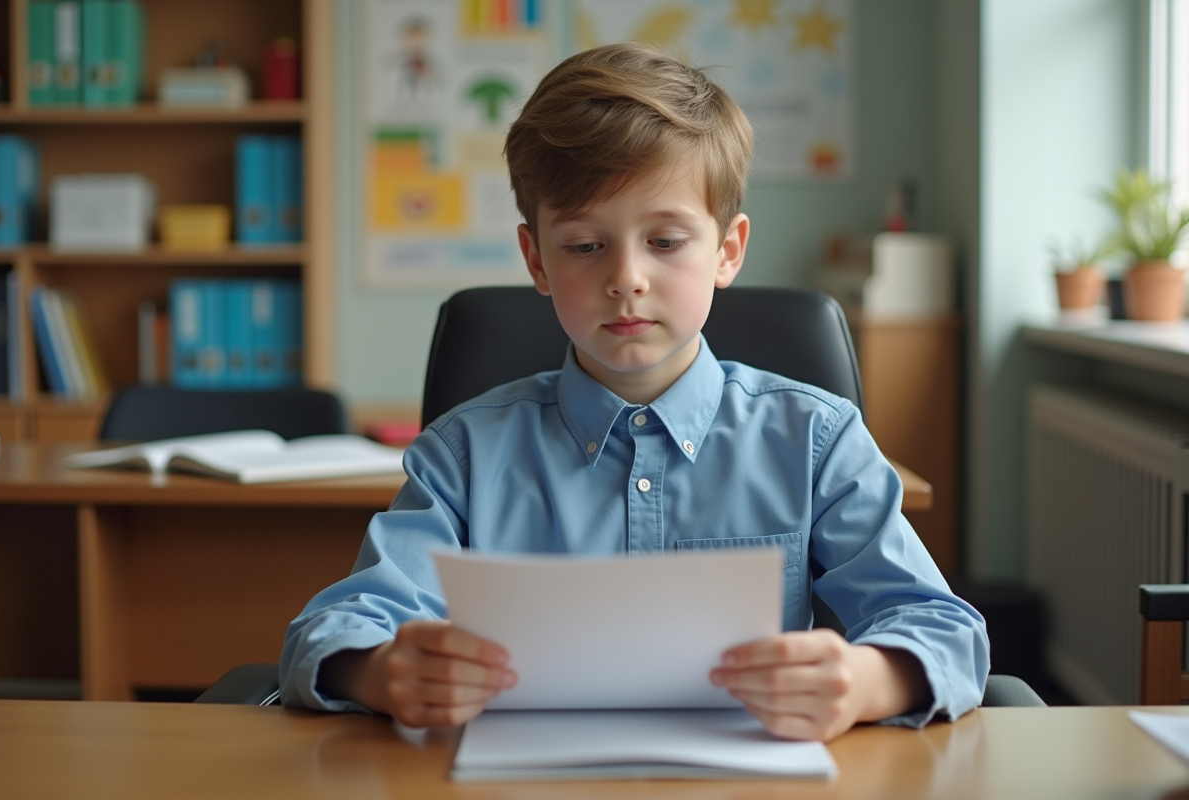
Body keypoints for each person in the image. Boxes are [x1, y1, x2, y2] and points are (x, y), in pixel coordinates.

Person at [280, 42, 988, 742]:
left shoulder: (817, 442)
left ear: (728, 251)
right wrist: (380, 672)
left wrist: (865, 680)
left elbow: (946, 631)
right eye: (586, 246)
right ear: (537, 260)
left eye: (666, 241)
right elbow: (331, 630)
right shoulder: (462, 455)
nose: (626, 279)